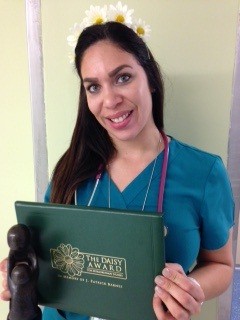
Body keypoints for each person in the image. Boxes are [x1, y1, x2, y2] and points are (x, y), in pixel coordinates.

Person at [0, 2, 235, 320]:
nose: (109, 100)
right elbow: (47, 256)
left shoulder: (203, 173)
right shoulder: (71, 168)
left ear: (150, 78)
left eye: (123, 77)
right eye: (93, 87)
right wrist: (19, 269)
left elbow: (221, 265)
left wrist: (192, 286)